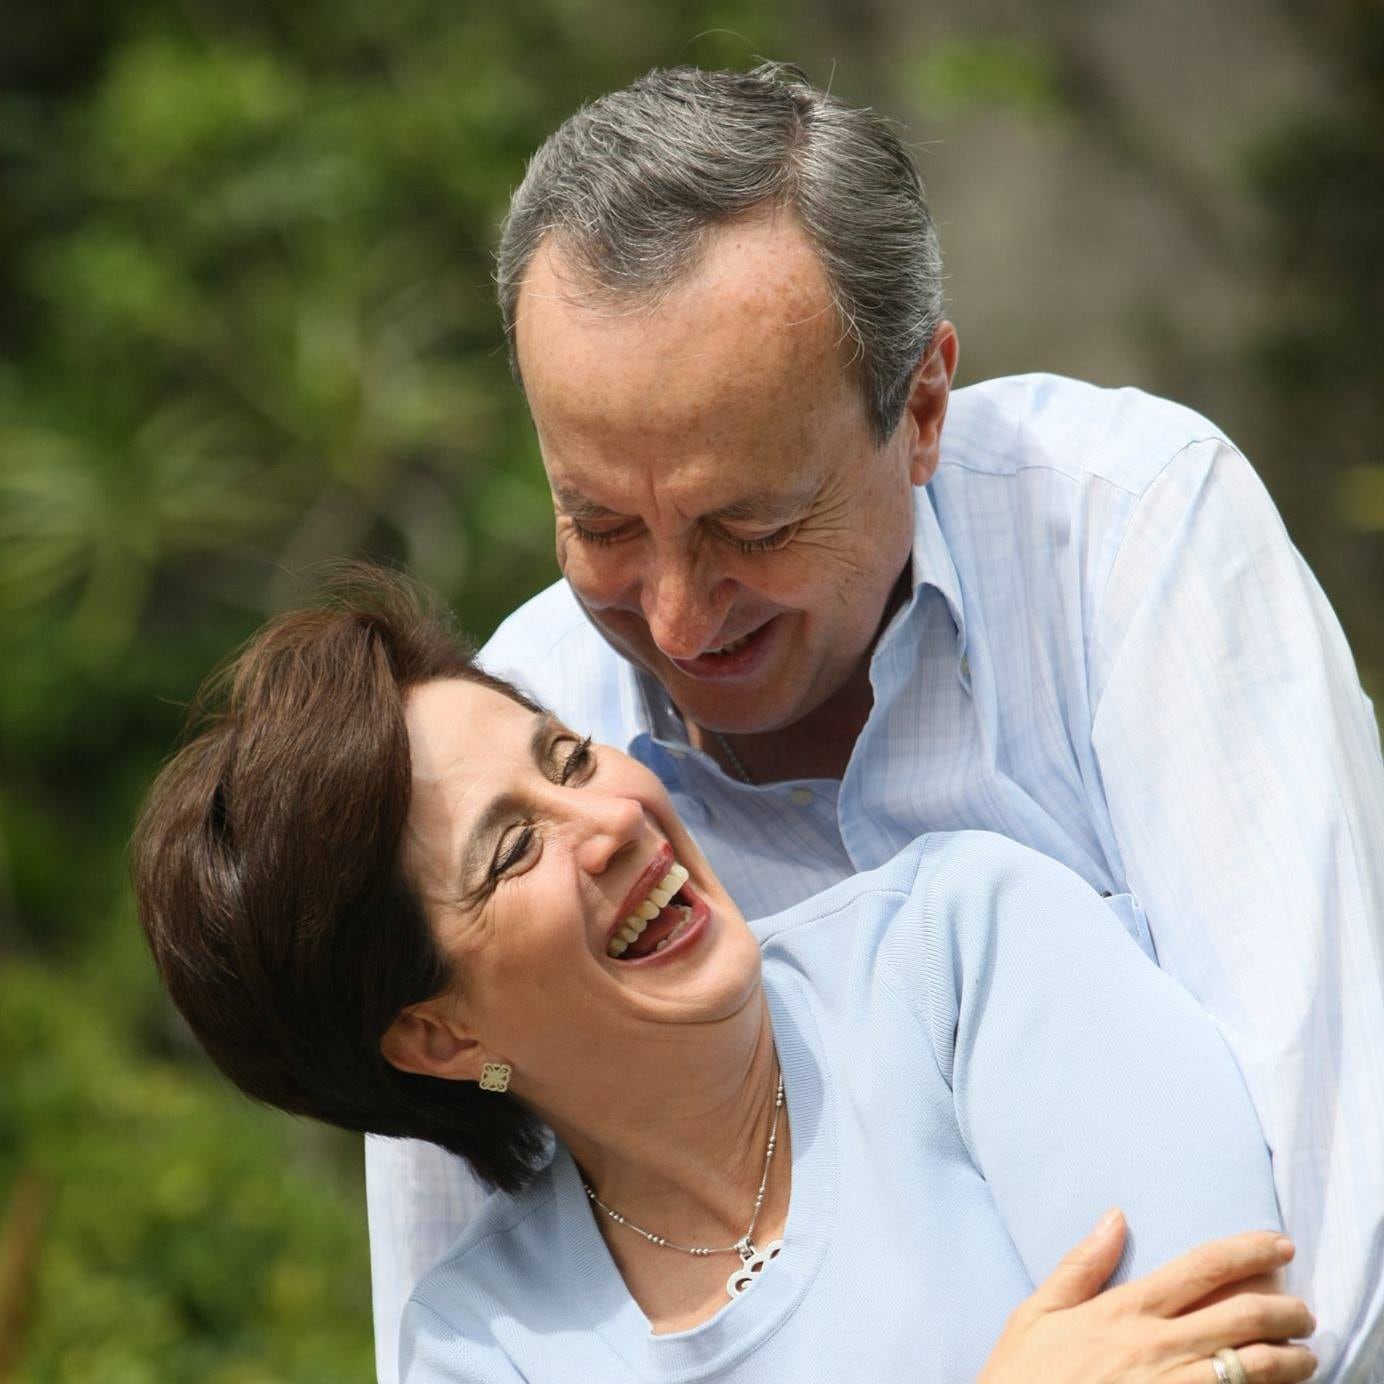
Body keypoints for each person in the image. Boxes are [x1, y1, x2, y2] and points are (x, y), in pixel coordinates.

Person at [365, 64, 1384, 1380]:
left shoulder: (1131, 538)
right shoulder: (493, 748)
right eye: (600, 523)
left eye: (752, 526)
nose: (676, 615)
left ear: (923, 410)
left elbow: (1327, 1267)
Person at [131, 570, 1318, 1383]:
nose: (610, 819)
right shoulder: (483, 1349)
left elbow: (1237, 1338)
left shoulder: (964, 948)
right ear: (438, 1035)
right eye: (513, 847)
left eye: (566, 758)